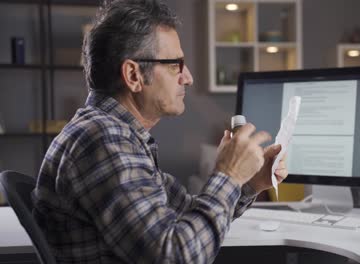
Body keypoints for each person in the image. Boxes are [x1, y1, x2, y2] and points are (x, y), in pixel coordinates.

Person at [32, 0, 288, 263]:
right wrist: (229, 175)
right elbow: (176, 256)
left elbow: (188, 214)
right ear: (134, 75)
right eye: (175, 64)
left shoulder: (118, 136)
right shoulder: (103, 140)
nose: (187, 77)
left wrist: (248, 183)